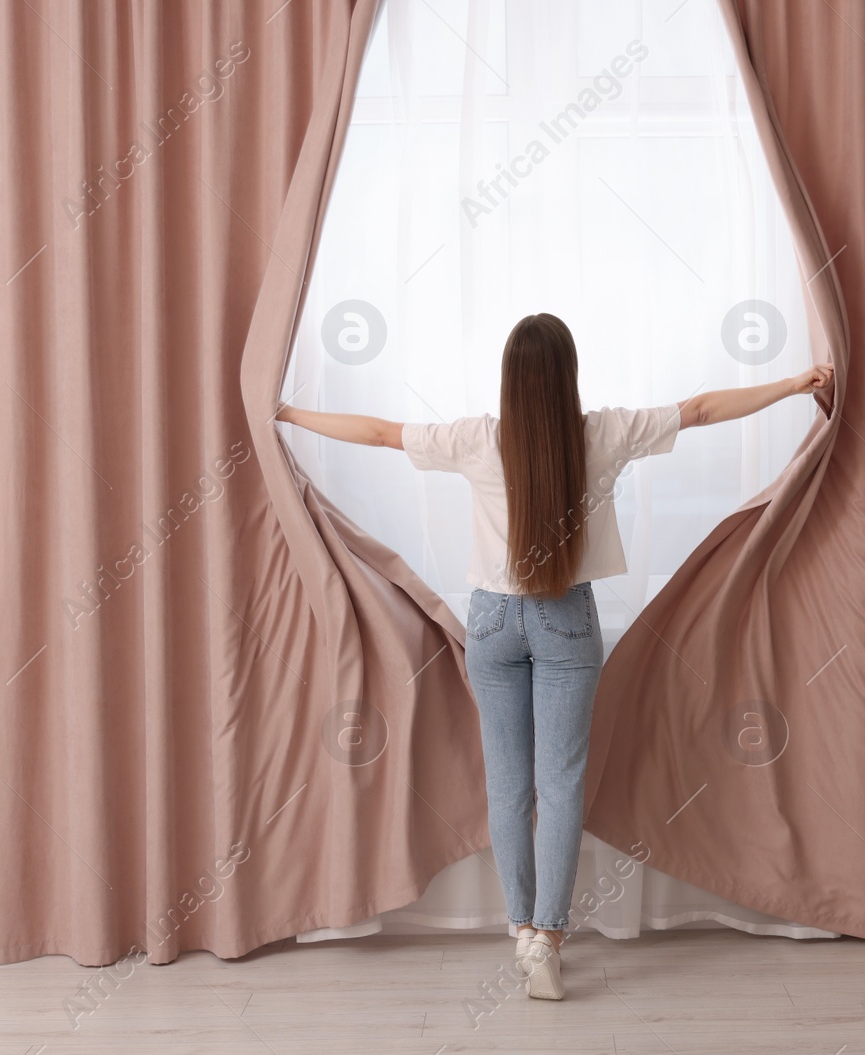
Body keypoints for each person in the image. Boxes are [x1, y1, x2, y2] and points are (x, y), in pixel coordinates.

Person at [275, 312, 834, 1000]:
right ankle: (549, 937)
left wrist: (288, 412)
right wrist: (794, 382)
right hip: (566, 616)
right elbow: (700, 410)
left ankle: (519, 930)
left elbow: (381, 433)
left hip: (492, 620)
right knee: (560, 783)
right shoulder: (600, 434)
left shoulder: (478, 439)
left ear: (509, 380)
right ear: (568, 375)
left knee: (509, 785)